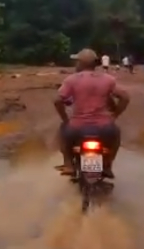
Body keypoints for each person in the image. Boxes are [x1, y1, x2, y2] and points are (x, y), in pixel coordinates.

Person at [54, 48, 130, 178]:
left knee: (62, 131)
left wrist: (65, 119)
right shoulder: (108, 79)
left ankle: (68, 165)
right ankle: (107, 165)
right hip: (104, 127)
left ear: (81, 63)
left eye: (77, 62)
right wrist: (114, 115)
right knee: (116, 135)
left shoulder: (72, 80)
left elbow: (57, 100)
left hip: (77, 127)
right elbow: (125, 97)